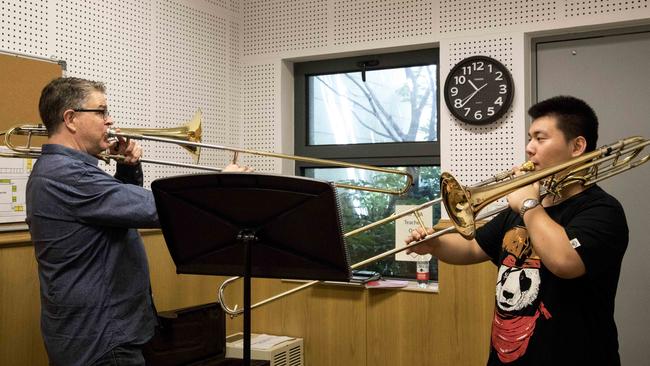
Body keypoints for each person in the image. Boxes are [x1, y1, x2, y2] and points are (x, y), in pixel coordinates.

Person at [26, 77, 250, 366]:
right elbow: (161, 210)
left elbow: (115, 213)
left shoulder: (63, 172)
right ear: (71, 119)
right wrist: (220, 185)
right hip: (102, 338)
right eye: (102, 112)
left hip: (92, 332)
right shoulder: (72, 176)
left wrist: (128, 168)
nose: (110, 120)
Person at [406, 96, 628, 366]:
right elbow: (473, 247)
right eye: (529, 137)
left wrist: (528, 204)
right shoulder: (526, 206)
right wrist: (435, 246)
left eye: (540, 138)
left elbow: (564, 261)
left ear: (577, 146)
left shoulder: (602, 210)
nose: (529, 148)